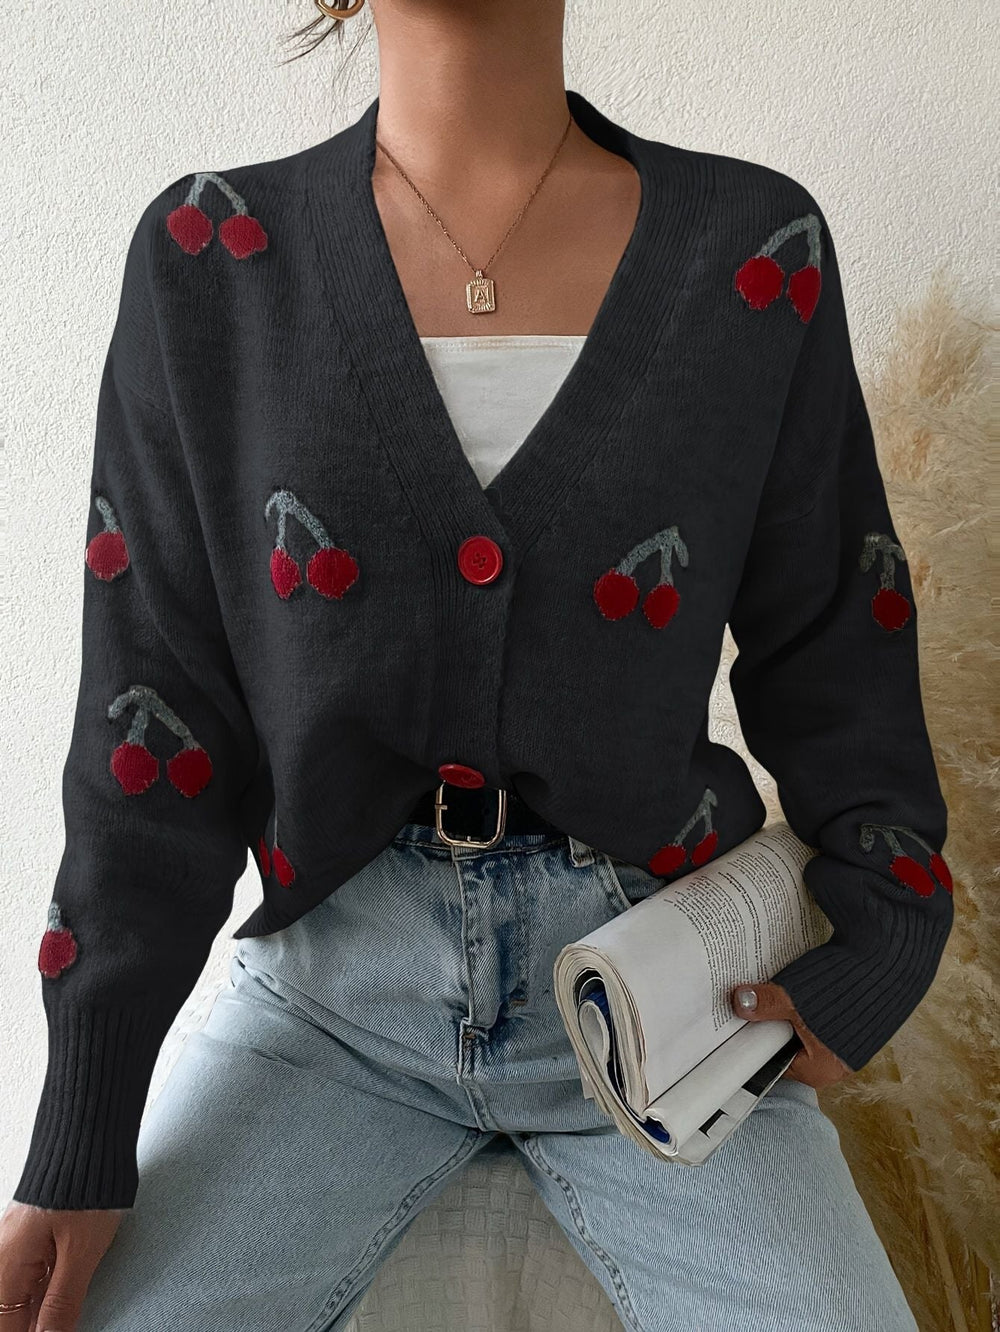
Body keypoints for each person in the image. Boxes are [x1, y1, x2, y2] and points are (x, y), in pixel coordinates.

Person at [0, 0, 953, 1328]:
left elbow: (841, 638)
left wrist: (883, 938)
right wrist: (85, 1122)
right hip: (329, 1003)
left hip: (655, 999)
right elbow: (152, 712)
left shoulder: (751, 249)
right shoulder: (210, 256)